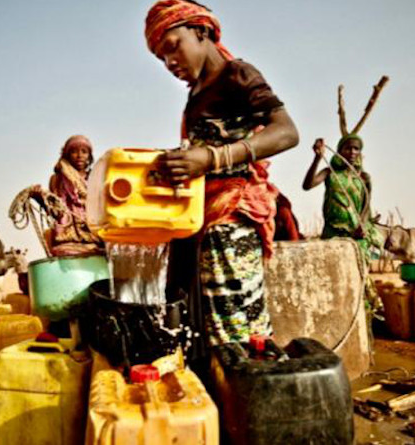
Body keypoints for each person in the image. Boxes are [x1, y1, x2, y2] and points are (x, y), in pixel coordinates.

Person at [145, 0, 299, 354]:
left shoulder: (236, 75)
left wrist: (212, 158)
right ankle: (217, 397)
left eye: (172, 47)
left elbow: (287, 132)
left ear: (200, 31)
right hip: (199, 217)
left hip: (231, 217)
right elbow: (204, 150)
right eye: (161, 58)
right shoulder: (196, 95)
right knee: (196, 322)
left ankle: (246, 395)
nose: (170, 63)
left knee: (236, 329)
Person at [302, 135, 384, 324]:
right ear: (339, 151)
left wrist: (362, 226)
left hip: (356, 236)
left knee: (360, 277)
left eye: (356, 149)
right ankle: (338, 318)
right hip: (333, 233)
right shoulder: (329, 172)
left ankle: (367, 318)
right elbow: (307, 185)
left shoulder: (363, 178)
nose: (352, 152)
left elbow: (365, 207)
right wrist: (317, 157)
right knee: (333, 277)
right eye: (348, 148)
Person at [47, 134, 104, 256]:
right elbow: (55, 209)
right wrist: (38, 197)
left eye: (84, 152)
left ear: (89, 155)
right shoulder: (57, 179)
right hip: (68, 235)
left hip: (94, 231)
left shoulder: (96, 178)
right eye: (74, 152)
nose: (80, 156)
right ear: (67, 155)